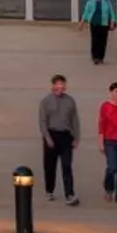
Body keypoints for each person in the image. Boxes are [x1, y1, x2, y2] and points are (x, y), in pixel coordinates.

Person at [38, 74, 81, 205]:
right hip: (51, 135)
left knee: (67, 165)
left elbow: (75, 120)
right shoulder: (45, 101)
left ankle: (69, 194)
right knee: (50, 166)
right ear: (53, 86)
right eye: (58, 84)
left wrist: (76, 137)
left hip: (66, 136)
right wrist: (47, 138)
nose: (60, 87)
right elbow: (42, 121)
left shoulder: (70, 101)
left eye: (62, 84)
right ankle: (49, 190)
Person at [80, 0, 116, 64]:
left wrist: (112, 23)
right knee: (95, 40)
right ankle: (95, 57)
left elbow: (112, 13)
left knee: (103, 41)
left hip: (104, 23)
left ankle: (101, 57)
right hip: (94, 23)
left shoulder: (107, 1)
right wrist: (82, 23)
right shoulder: (90, 2)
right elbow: (86, 13)